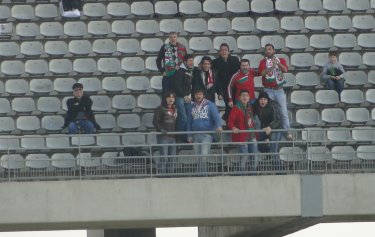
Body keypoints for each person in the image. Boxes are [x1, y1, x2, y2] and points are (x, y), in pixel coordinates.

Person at [258, 43, 292, 140]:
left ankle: (287, 132)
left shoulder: (281, 60)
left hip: (278, 90)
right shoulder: (262, 62)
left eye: (270, 49)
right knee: (267, 111)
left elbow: (285, 70)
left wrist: (277, 63)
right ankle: (267, 133)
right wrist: (271, 67)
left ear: (274, 51)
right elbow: (262, 73)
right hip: (268, 89)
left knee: (283, 111)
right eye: (266, 49)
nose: (268, 51)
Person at [187, 88, 222, 175]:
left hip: (207, 135)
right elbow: (189, 122)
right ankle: (200, 175)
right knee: (198, 158)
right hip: (195, 136)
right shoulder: (191, 106)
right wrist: (189, 135)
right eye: (196, 94)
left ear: (203, 95)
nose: (198, 96)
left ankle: (203, 176)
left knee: (203, 156)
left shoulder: (210, 104)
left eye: (200, 94)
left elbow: (216, 117)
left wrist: (219, 126)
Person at [227, 90, 258, 173]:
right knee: (244, 156)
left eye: (246, 95)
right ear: (239, 98)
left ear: (249, 97)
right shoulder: (236, 108)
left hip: (252, 135)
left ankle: (253, 174)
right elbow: (230, 122)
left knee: (255, 156)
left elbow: (253, 122)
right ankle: (241, 174)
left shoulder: (250, 107)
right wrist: (233, 128)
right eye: (243, 95)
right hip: (242, 136)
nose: (245, 97)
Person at [253, 92, 283, 170]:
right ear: (258, 100)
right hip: (265, 129)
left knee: (274, 151)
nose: (263, 101)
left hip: (276, 129)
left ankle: (280, 172)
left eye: (264, 99)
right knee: (257, 143)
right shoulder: (256, 106)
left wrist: (270, 127)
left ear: (267, 100)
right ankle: (269, 153)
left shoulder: (273, 106)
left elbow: (278, 120)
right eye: (261, 99)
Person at [212, 43, 240, 121]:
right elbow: (216, 79)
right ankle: (228, 122)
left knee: (236, 107)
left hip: (235, 88)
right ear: (219, 52)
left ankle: (229, 120)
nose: (224, 52)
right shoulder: (215, 62)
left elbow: (241, 71)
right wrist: (219, 92)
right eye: (222, 50)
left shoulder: (235, 60)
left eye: (225, 50)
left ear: (229, 52)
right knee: (229, 106)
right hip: (224, 89)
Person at [152, 91, 178, 174]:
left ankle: (170, 176)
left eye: (173, 97)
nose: (171, 99)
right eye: (169, 97)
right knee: (164, 157)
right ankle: (162, 175)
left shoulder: (175, 110)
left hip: (173, 138)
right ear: (165, 98)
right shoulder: (160, 108)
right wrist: (161, 130)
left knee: (172, 159)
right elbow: (155, 122)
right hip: (163, 138)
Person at [170, 54, 194, 141]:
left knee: (188, 119)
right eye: (190, 61)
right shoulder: (180, 71)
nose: (192, 62)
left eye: (192, 60)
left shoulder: (189, 71)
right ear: (185, 62)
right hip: (180, 97)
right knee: (183, 118)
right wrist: (184, 95)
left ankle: (186, 137)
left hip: (187, 97)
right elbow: (177, 86)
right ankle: (177, 138)